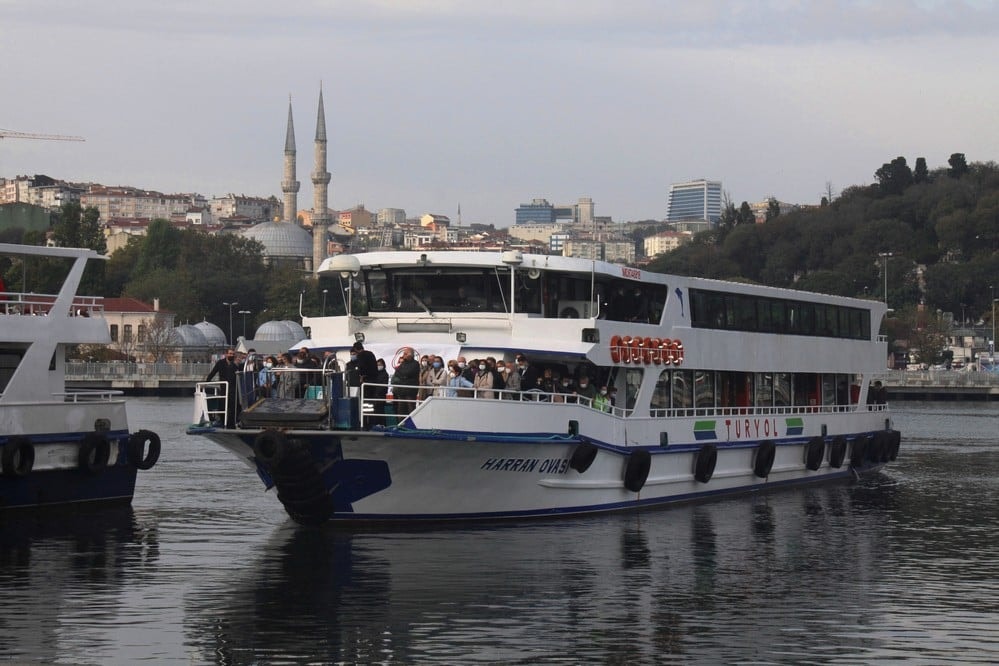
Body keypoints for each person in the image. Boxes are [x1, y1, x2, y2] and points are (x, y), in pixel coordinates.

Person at [205, 347, 240, 427]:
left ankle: (231, 424)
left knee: (232, 406)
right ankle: (222, 421)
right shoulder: (220, 363)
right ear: (226, 354)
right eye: (230, 353)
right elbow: (213, 372)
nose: (232, 355)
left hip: (233, 388)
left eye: (233, 354)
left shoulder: (235, 365)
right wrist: (206, 382)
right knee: (222, 404)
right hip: (224, 388)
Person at [392, 347, 421, 415]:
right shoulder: (403, 363)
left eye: (405, 354)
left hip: (410, 391)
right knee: (401, 409)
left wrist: (403, 374)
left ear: (410, 354)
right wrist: (403, 375)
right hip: (401, 390)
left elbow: (407, 373)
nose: (403, 355)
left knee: (411, 408)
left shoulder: (415, 364)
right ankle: (401, 424)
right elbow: (397, 372)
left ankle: (410, 425)